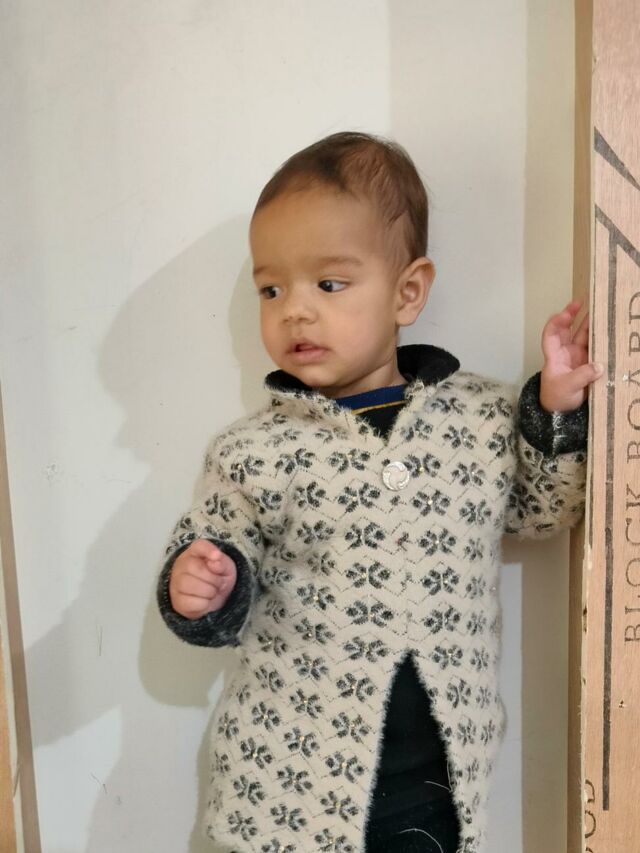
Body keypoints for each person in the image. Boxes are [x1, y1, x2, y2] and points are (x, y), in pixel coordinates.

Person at [157, 132, 598, 853]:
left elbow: (546, 510)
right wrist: (197, 586)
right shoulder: (252, 450)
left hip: (435, 788)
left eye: (328, 285)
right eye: (272, 289)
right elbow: (214, 551)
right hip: (288, 787)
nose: (295, 311)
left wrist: (553, 407)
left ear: (408, 291)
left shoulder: (478, 419)